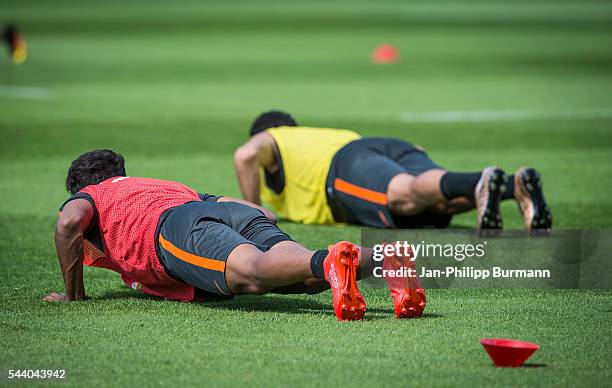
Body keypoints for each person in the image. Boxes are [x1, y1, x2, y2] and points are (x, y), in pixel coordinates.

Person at [43, 149, 425, 321]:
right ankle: (379, 257)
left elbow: (68, 223)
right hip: (223, 209)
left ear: (81, 187)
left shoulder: (92, 196)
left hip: (173, 228)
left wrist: (74, 295)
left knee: (253, 274)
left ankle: (328, 259)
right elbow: (261, 212)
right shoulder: (157, 184)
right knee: (304, 280)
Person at [234, 110, 552, 232]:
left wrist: (253, 210)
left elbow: (246, 154)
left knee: (404, 196)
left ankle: (480, 180)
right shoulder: (318, 135)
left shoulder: (277, 136)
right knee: (439, 205)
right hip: (387, 148)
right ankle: (514, 186)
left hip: (343, 170)